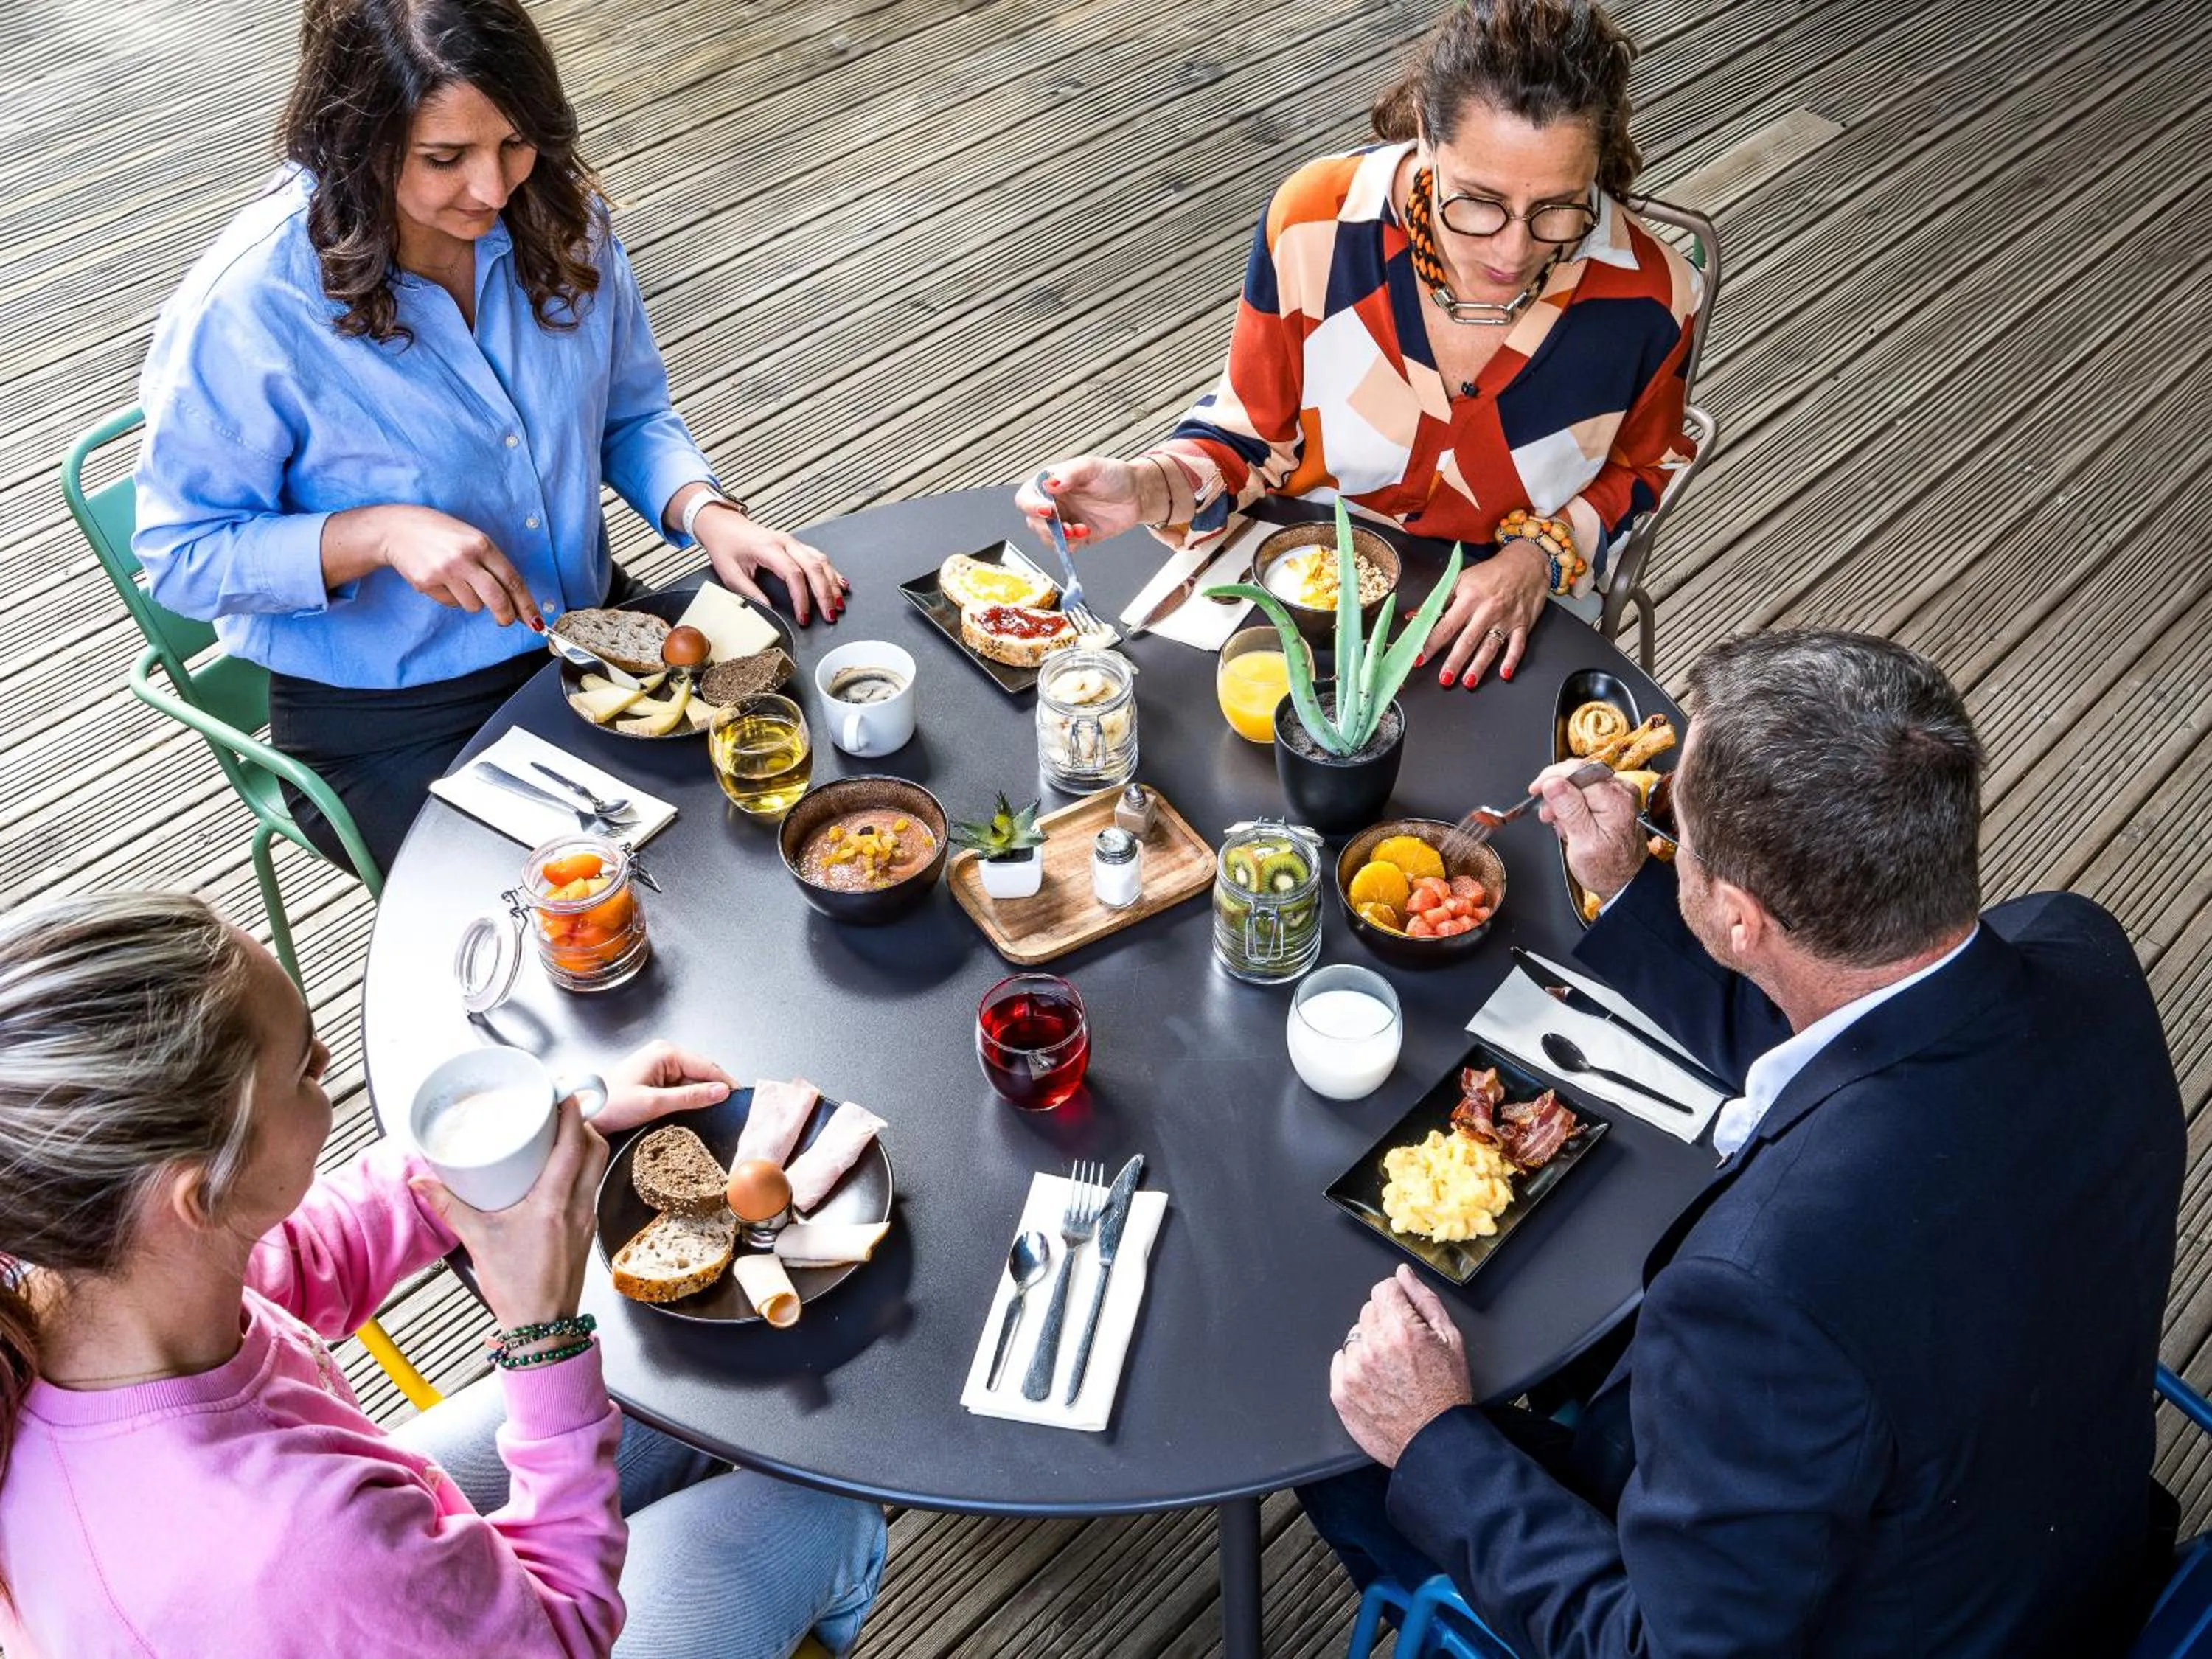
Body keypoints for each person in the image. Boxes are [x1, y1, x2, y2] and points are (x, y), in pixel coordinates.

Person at [1300, 631, 2185, 1655]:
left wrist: (1430, 1436)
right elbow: (1864, 1021)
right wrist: (1636, 887)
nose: (1658, 810)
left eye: (1676, 819)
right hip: (2051, 1530)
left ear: (1737, 916)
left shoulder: (1761, 1290)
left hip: (1876, 1617)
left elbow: (1657, 1645)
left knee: (1334, 1439)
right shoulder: (2077, 949)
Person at [0, 892, 886, 1658]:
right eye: (305, 1070)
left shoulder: (80, 1272)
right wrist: (541, 1338)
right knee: (828, 1508)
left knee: (698, 1403)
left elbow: (304, 1259)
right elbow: (565, 1634)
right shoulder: (295, 1550)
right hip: (394, 1593)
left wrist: (532, 1129)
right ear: (196, 1195)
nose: (330, 1077)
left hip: (349, 1574)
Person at [134, 0, 849, 873]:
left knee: (793, 785)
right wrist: (377, 535)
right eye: (445, 159)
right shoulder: (249, 306)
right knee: (605, 897)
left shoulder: (560, 217)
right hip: (393, 717)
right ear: (353, 139)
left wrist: (707, 514)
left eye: (516, 143)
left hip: (590, 638)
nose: (493, 189)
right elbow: (181, 556)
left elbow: (627, 413)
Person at [1016, 0, 1698, 689]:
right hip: (1297, 585)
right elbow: (1253, 440)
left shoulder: (1648, 296)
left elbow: (1647, 468)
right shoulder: (1318, 221)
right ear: (1428, 137)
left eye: (1558, 207)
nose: (1513, 248)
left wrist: (1539, 557)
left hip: (1501, 619)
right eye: (1478, 202)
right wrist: (1145, 486)